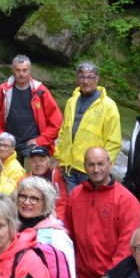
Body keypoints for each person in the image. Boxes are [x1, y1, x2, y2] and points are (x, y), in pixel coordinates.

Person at [64, 146, 140, 278]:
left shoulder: (126, 200)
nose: (96, 169)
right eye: (91, 164)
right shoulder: (76, 195)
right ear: (85, 166)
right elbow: (68, 237)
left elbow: (127, 245)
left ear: (110, 164)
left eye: (101, 164)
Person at [54, 61, 121, 194]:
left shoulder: (108, 106)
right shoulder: (71, 102)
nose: (85, 81)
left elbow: (114, 142)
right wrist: (60, 158)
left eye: (90, 77)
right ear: (77, 79)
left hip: (91, 170)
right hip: (69, 168)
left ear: (97, 79)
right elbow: (63, 133)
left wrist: (102, 168)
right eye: (82, 77)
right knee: (73, 206)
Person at [0, 55, 63, 161]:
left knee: (37, 174)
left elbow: (56, 120)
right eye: (18, 70)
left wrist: (41, 140)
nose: (21, 74)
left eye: (24, 70)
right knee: (10, 175)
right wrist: (0, 135)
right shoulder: (3, 90)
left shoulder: (40, 91)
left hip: (32, 143)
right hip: (9, 143)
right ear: (13, 70)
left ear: (30, 71)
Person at [15, 176, 77, 278]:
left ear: (46, 203)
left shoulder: (56, 236)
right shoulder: (11, 227)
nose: (26, 202)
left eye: (34, 198)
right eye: (23, 196)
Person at [25, 145, 69, 220]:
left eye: (41, 160)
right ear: (29, 163)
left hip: (54, 217)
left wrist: (56, 220)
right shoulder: (24, 180)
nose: (38, 164)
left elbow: (62, 203)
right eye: (34, 161)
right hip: (32, 218)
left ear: (48, 161)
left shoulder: (57, 176)